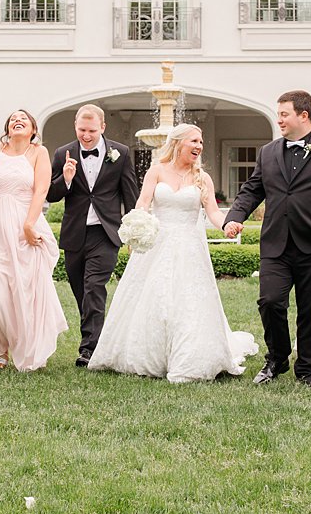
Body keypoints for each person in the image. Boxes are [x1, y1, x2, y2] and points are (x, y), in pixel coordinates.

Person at [90, 124, 257, 382]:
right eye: (194, 141)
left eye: (201, 142)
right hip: (157, 244)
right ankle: (147, 354)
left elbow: (213, 211)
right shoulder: (156, 171)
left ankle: (190, 356)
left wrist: (227, 225)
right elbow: (143, 203)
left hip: (190, 247)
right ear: (178, 143)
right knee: (154, 297)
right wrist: (137, 227)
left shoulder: (203, 178)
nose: (199, 146)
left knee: (188, 300)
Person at [224, 90, 311, 387]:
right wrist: (234, 217)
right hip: (276, 243)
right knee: (270, 301)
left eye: (284, 114)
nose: (279, 119)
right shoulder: (268, 151)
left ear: (303, 115)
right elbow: (252, 188)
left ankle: (308, 369)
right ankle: (278, 357)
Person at [46, 104, 139, 367]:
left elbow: (129, 193)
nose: (86, 135)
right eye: (81, 130)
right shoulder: (62, 153)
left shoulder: (119, 153)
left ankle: (90, 348)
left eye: (91, 130)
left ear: (103, 127)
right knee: (80, 292)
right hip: (75, 233)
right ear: (75, 126)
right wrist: (64, 178)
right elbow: (51, 195)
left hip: (105, 232)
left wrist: (133, 231)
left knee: (94, 288)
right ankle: (96, 336)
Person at [0, 110, 65, 372]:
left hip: (26, 229)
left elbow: (41, 189)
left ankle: (27, 348)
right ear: (7, 127)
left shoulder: (39, 153)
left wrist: (28, 224)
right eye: (13, 118)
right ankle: (0, 346)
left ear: (33, 129)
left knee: (26, 293)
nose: (18, 120)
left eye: (23, 118)